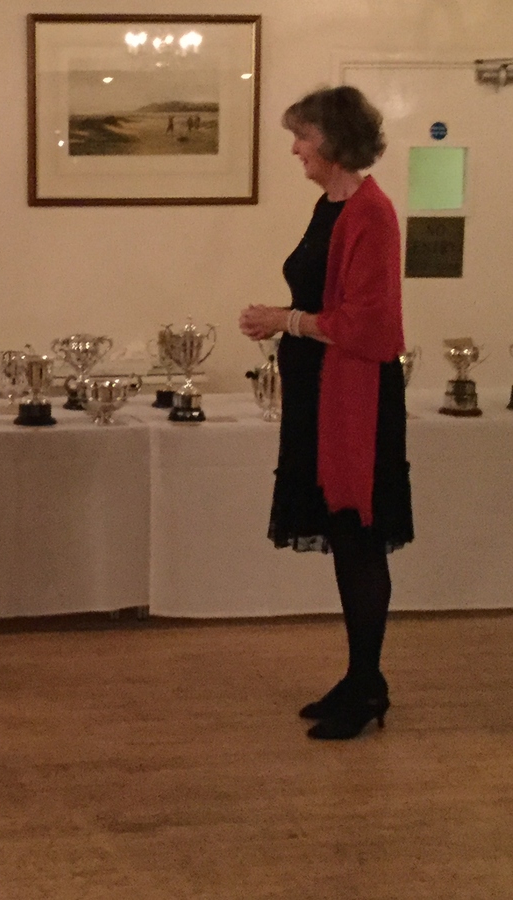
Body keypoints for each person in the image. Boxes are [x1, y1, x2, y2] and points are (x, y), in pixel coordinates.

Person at [238, 86, 413, 740]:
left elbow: (370, 325)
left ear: (333, 140)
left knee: (357, 533)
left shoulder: (372, 213)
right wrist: (290, 325)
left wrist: (284, 320)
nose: (295, 149)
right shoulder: (330, 207)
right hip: (322, 390)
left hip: (354, 398)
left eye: (303, 136)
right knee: (345, 537)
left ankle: (367, 685)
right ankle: (361, 677)